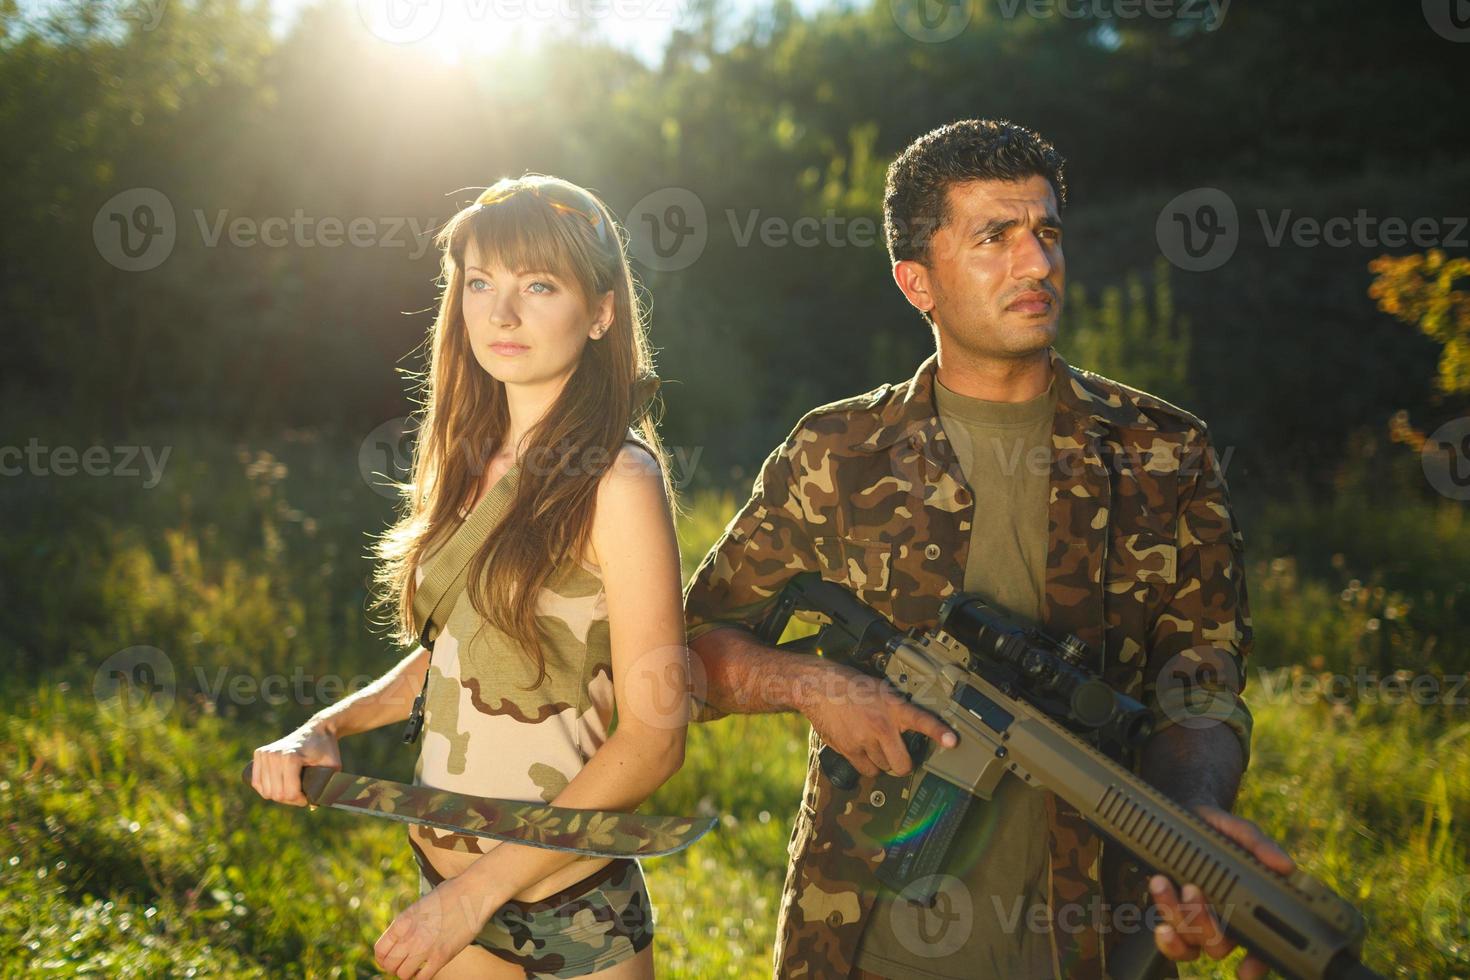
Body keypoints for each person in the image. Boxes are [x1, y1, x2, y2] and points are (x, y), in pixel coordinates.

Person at [682, 120, 1295, 979]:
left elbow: (1202, 678)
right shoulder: (837, 453)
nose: (1038, 264)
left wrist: (1192, 814)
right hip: (864, 945)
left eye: (1047, 233)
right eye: (995, 238)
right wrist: (812, 684)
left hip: (1097, 946)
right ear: (916, 282)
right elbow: (688, 656)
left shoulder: (1164, 452)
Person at [249, 174, 690, 980]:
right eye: (481, 282)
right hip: (444, 885)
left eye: (539, 285)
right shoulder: (464, 459)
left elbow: (655, 741)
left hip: (569, 906)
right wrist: (327, 726)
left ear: (600, 312)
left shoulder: (618, 481)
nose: (501, 312)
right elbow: (456, 653)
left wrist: (474, 895)